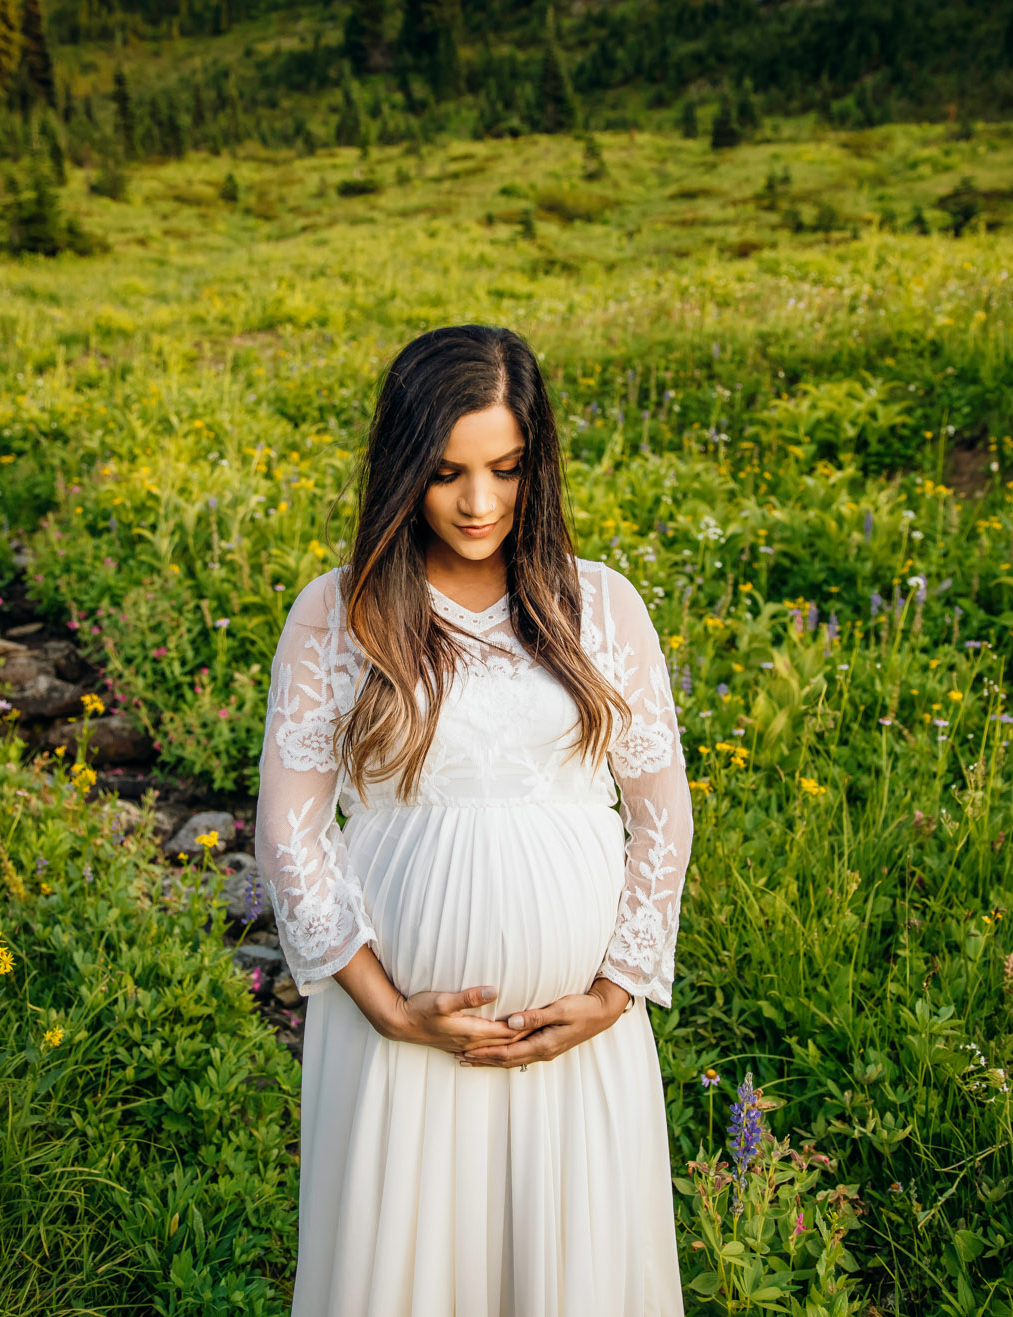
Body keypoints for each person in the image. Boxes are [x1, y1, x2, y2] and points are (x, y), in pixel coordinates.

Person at [254, 324, 693, 1315]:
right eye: (446, 473)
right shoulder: (341, 614)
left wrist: (616, 989)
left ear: (534, 461)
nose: (479, 503)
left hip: (577, 1039)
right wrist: (384, 1004)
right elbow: (288, 828)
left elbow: (659, 806)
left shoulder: (602, 607)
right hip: (402, 1041)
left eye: (504, 468)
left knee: (570, 1271)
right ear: (401, 467)